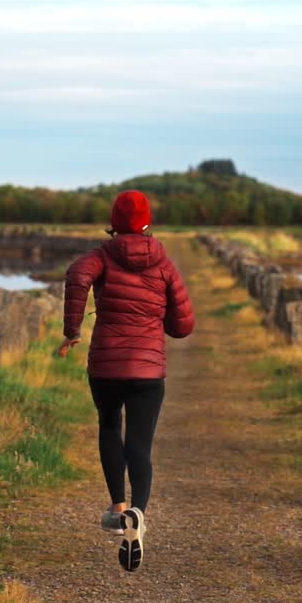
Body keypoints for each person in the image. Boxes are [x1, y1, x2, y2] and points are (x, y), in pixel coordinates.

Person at [59, 190, 195, 571]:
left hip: (106, 366)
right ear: (148, 222)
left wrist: (72, 330)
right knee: (140, 445)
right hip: (148, 370)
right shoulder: (165, 265)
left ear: (114, 222)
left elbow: (76, 273)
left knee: (108, 426)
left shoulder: (101, 257)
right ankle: (139, 513)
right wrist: (160, 319)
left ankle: (118, 507)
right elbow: (183, 327)